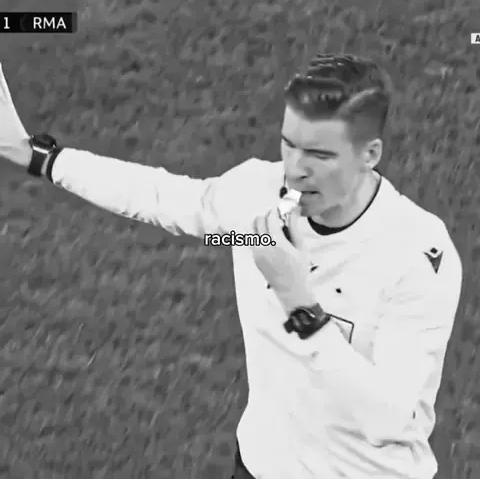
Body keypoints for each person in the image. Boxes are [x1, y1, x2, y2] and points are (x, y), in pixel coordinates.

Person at [0, 54, 462, 479]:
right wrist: (42, 158)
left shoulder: (418, 255)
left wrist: (300, 305)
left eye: (320, 156)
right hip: (258, 467)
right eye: (288, 145)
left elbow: (388, 420)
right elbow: (163, 198)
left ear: (370, 155)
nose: (295, 169)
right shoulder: (255, 207)